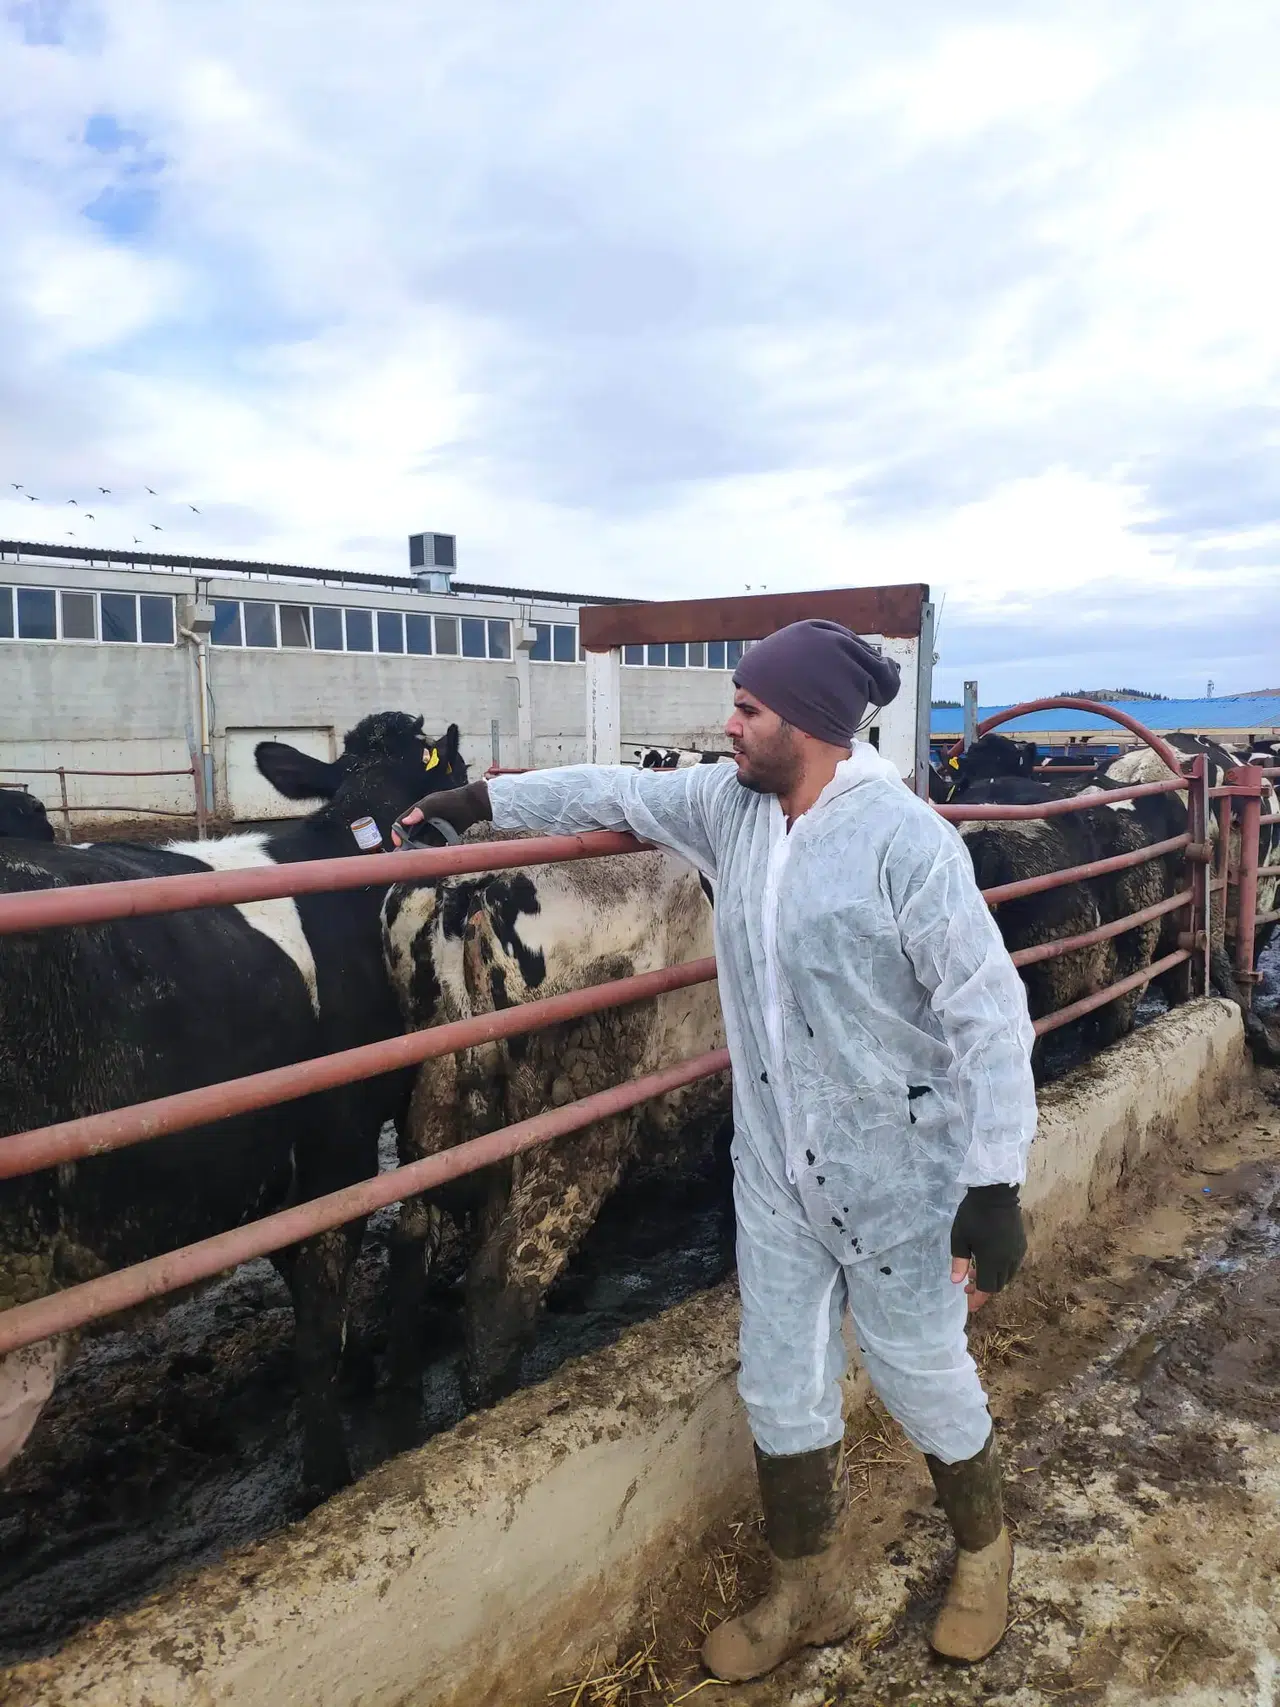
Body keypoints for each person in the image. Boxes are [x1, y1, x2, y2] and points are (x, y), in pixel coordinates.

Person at [395, 619, 1037, 1680]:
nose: (727, 723)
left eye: (748, 708)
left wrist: (995, 1178)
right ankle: (802, 1590)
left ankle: (983, 1555)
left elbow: (987, 1010)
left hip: (897, 1165)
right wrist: (483, 801)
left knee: (921, 1370)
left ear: (813, 723)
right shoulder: (727, 809)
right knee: (779, 1379)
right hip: (774, 1163)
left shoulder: (905, 841)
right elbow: (614, 792)